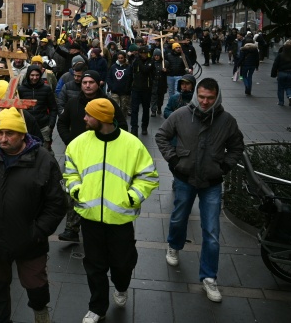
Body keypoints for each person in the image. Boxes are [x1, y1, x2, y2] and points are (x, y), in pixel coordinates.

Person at [0, 107, 69, 323]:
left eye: (9, 133)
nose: (3, 138)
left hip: (29, 242)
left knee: (36, 286)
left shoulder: (43, 160)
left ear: (22, 134)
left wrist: (37, 231)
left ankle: (40, 312)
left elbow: (57, 203)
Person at [64, 98, 159, 322]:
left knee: (122, 264)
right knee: (94, 266)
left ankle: (121, 286)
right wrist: (76, 191)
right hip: (90, 218)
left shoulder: (132, 144)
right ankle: (97, 308)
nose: (84, 118)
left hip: (120, 219)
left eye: (89, 115)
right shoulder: (78, 143)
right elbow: (70, 171)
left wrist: (131, 198)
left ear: (102, 118)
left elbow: (148, 176)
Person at [155, 78, 244, 303]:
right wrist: (174, 160)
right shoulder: (181, 114)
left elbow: (236, 146)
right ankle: (174, 245)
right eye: (202, 97)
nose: (205, 102)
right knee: (179, 218)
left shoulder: (227, 121)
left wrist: (224, 166)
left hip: (211, 182)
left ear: (217, 97)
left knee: (212, 232)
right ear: (196, 94)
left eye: (210, 98)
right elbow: (161, 135)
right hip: (185, 178)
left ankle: (209, 277)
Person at [56, 71, 128, 243]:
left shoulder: (108, 103)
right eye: (84, 82)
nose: (87, 85)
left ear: (98, 84)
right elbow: (62, 123)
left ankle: (98, 222)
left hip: (101, 155)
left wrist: (111, 144)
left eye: (91, 82)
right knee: (73, 189)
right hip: (77, 155)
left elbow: (122, 125)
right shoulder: (73, 103)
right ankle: (72, 228)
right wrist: (69, 141)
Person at [16, 65, 57, 151]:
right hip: (26, 126)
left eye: (37, 75)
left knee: (44, 151)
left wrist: (50, 125)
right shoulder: (21, 89)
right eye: (32, 75)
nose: (34, 78)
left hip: (43, 126)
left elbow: (53, 108)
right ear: (28, 75)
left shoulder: (46, 89)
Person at [129, 46, 155, 136]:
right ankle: (134, 127)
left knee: (146, 109)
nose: (144, 55)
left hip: (146, 89)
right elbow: (131, 69)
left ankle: (144, 126)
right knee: (134, 109)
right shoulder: (135, 61)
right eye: (142, 53)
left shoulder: (150, 61)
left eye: (146, 53)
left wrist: (139, 60)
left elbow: (145, 70)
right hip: (136, 88)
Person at [106, 51, 132, 120]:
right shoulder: (113, 67)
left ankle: (123, 121)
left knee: (124, 108)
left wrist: (128, 88)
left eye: (121, 58)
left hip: (125, 92)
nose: (120, 59)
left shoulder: (129, 67)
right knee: (114, 107)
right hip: (115, 90)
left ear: (124, 58)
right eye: (119, 58)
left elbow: (130, 78)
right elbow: (109, 77)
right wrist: (111, 86)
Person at [151, 48, 167, 117]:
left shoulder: (164, 63)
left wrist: (166, 70)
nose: (156, 57)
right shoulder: (151, 63)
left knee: (160, 97)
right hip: (154, 82)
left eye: (158, 55)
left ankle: (159, 107)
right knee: (153, 97)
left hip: (161, 82)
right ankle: (153, 110)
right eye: (155, 55)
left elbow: (169, 71)